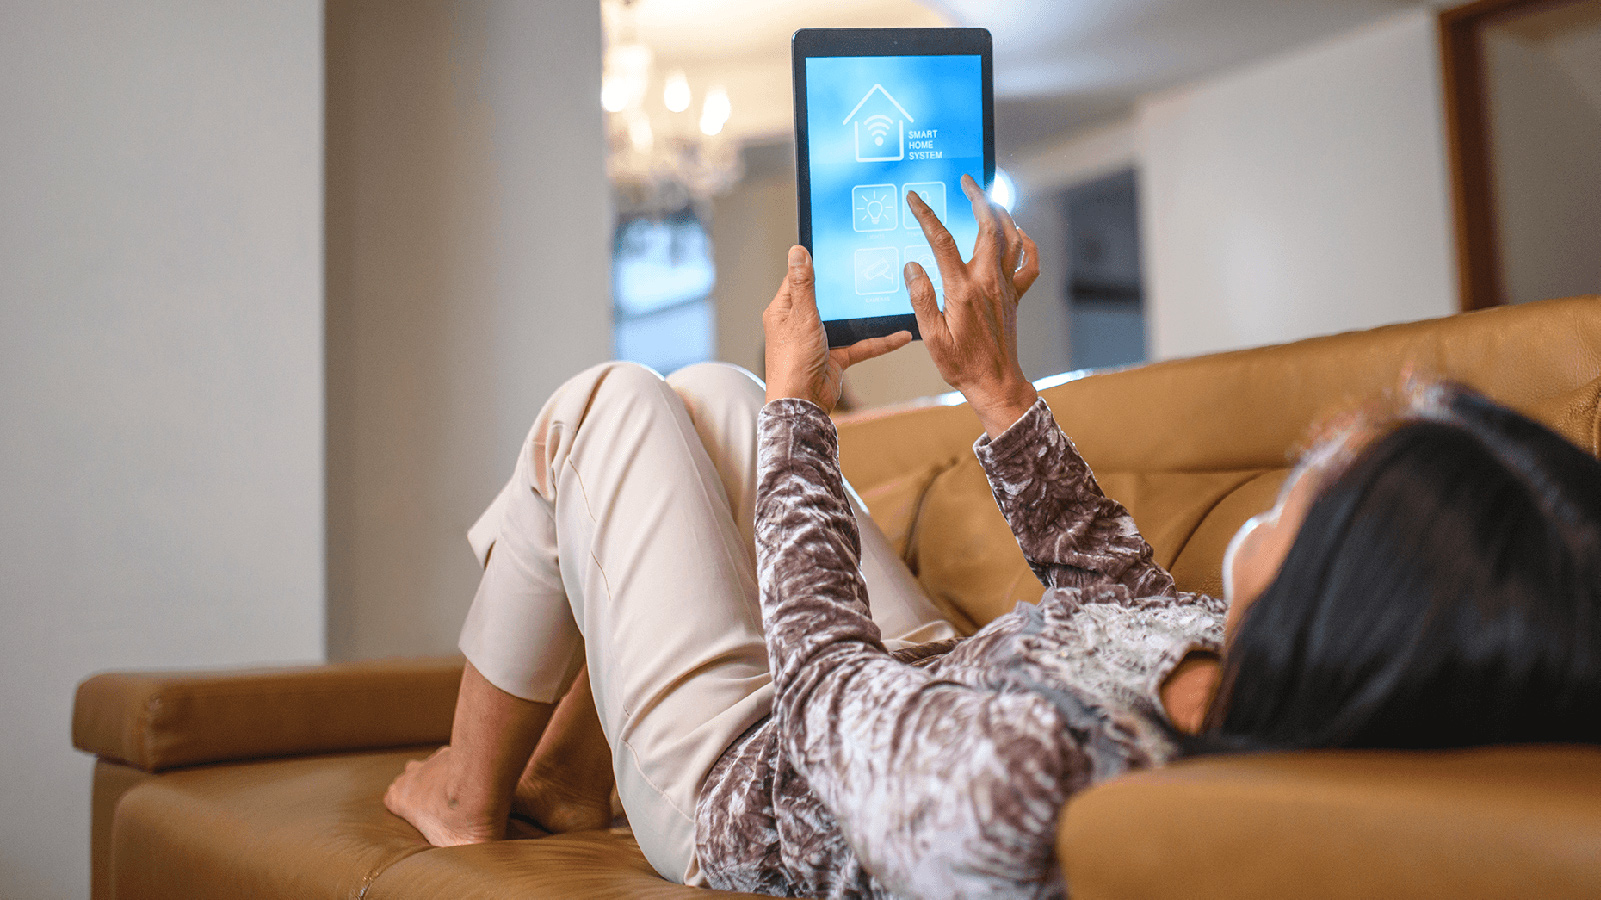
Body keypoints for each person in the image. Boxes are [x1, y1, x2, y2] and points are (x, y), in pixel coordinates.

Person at [385, 174, 1601, 898]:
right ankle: (557, 764)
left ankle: (461, 795)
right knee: (717, 396)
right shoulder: (1247, 680)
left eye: (1334, 479)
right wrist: (995, 386)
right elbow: (1119, 602)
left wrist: (811, 422)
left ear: (1358, 591)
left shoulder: (1048, 792)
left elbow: (818, 707)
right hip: (900, 687)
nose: (1318, 445)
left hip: (760, 771)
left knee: (606, 402)